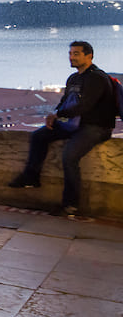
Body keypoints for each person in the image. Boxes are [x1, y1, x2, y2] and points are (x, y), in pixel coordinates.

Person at [9, 41, 115, 218]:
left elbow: (85, 105)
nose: (71, 57)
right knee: (39, 136)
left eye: (76, 54)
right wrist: (55, 114)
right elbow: (65, 102)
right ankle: (31, 177)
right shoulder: (73, 79)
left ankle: (70, 205)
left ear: (89, 56)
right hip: (74, 124)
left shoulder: (97, 78)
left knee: (69, 156)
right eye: (70, 53)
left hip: (96, 126)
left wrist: (59, 115)